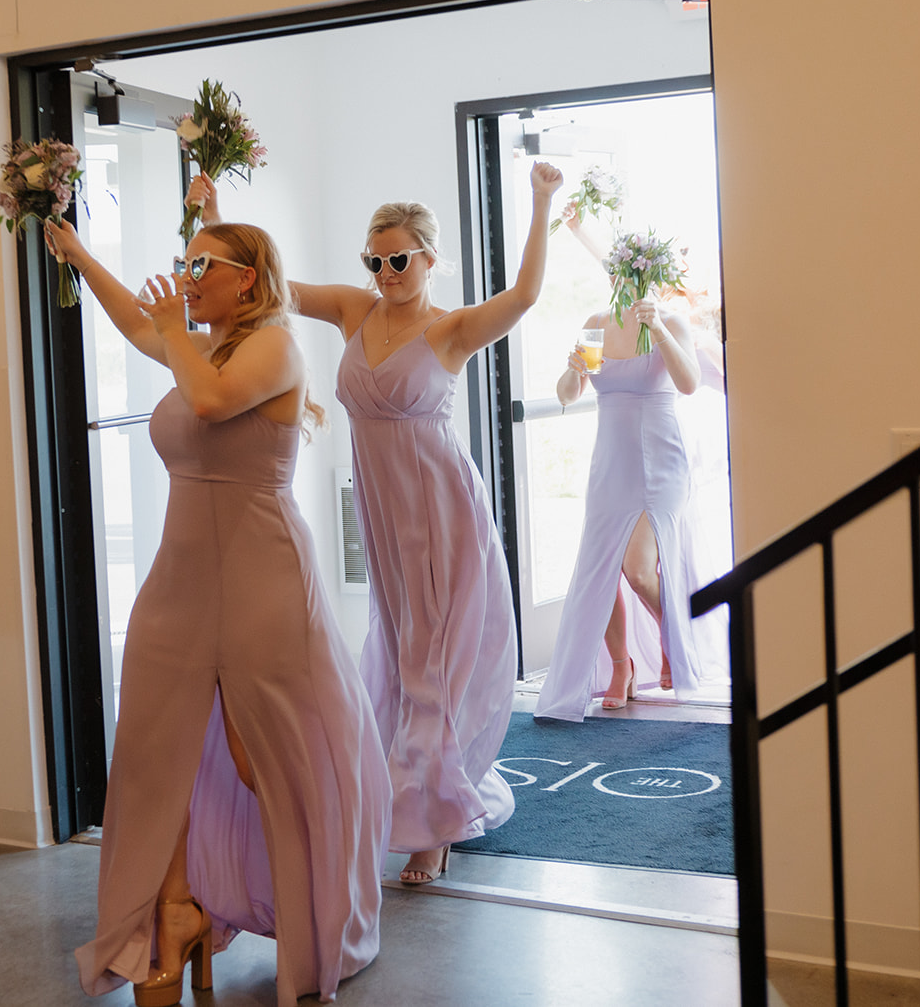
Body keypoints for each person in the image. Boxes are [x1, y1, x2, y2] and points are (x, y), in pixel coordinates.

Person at [43, 217, 390, 1007]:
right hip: (178, 581)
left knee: (256, 752)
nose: (187, 276)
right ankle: (174, 910)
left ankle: (304, 914)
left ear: (249, 277)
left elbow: (207, 403)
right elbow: (138, 322)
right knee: (155, 749)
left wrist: (171, 328)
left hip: (260, 577)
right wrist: (77, 252)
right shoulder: (200, 343)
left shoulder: (274, 346)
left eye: (203, 264)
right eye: (183, 263)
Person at [190, 160, 562, 884]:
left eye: (398, 259)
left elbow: (522, 297)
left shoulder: (449, 329)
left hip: (442, 508)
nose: (387, 271)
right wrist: (215, 212)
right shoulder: (355, 312)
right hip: (385, 512)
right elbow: (267, 281)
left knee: (434, 659)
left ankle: (434, 825)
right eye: (376, 260)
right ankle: (412, 798)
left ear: (427, 258)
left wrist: (541, 201)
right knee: (398, 649)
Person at [533, 208, 709, 722]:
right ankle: (620, 665)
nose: (623, 282)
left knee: (639, 570)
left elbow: (689, 383)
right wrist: (570, 369)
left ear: (651, 277)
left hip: (662, 458)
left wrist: (659, 329)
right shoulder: (595, 324)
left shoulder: (670, 321)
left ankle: (675, 642)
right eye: (617, 272)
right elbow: (569, 393)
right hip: (611, 459)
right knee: (603, 566)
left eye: (632, 274)